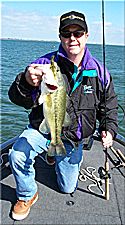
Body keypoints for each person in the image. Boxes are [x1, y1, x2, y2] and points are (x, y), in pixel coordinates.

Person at [8, 11, 118, 221]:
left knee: (67, 187)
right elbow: (18, 98)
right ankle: (27, 195)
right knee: (18, 154)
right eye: (66, 33)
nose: (72, 38)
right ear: (60, 37)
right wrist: (27, 82)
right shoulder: (43, 64)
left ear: (87, 35)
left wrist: (109, 129)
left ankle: (56, 155)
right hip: (42, 129)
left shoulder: (100, 72)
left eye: (78, 32)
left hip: (74, 138)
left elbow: (109, 107)